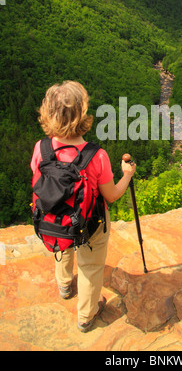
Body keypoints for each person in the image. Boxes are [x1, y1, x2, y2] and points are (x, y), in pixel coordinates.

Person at [30, 81, 136, 332]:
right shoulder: (96, 155)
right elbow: (111, 195)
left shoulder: (41, 148)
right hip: (89, 225)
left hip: (53, 220)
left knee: (62, 242)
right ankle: (87, 316)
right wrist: (127, 174)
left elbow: (38, 180)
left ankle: (65, 284)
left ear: (48, 113)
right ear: (83, 114)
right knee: (90, 266)